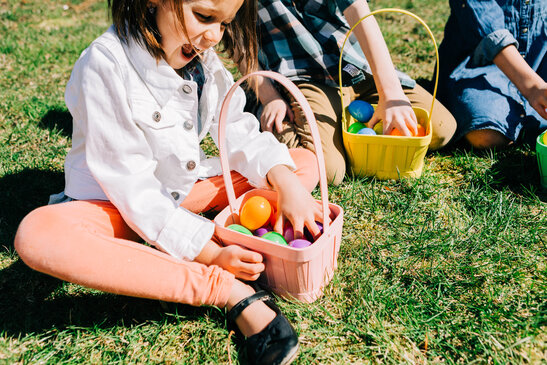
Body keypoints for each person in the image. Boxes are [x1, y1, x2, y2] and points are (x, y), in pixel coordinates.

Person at [14, 0, 325, 364]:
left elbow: (239, 130)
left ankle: (189, 241)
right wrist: (211, 254)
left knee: (301, 163)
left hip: (180, 194)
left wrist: (285, 182)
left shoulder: (202, 60)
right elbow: (133, 189)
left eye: (224, 24)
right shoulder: (105, 63)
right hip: (112, 208)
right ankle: (223, 288)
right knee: (40, 234)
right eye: (204, 17)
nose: (214, 37)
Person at [247, 0, 457, 185]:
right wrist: (269, 97)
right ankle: (258, 111)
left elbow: (358, 9)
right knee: (329, 172)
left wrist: (390, 93)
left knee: (441, 129)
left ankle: (338, 125)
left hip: (352, 65)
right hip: (302, 75)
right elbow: (236, 37)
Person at [437, 0, 547, 149]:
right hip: (479, 64)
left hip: (539, 54)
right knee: (487, 134)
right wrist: (533, 87)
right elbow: (486, 22)